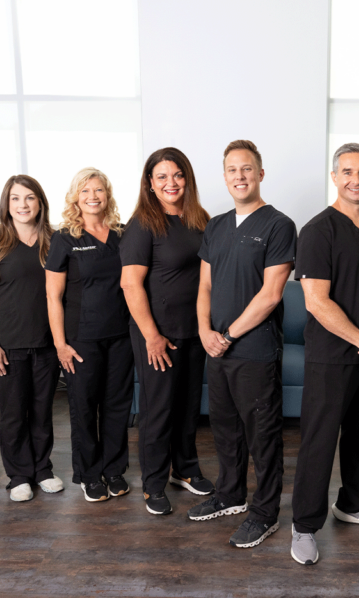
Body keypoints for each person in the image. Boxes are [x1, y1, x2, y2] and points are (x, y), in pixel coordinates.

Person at [290, 143, 359, 566]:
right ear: (335, 177)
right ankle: (304, 525)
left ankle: (353, 504)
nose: (357, 178)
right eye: (348, 171)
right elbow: (316, 301)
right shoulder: (318, 230)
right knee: (319, 443)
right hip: (333, 356)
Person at [189, 140, 296, 548]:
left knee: (262, 434)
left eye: (247, 169)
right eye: (232, 169)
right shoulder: (215, 226)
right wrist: (204, 331)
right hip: (215, 347)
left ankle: (265, 513)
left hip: (252, 349)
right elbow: (205, 286)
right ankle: (230, 494)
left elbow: (270, 295)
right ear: (224, 176)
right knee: (225, 428)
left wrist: (229, 335)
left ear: (261, 174)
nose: (240, 176)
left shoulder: (278, 225)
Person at [121, 147, 213, 515]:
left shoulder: (200, 220)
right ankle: (154, 484)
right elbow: (130, 285)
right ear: (150, 183)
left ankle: (185, 469)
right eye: (162, 176)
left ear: (187, 179)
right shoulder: (143, 224)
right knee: (158, 410)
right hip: (157, 333)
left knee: (189, 407)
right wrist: (151, 336)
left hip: (194, 330)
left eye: (177, 175)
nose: (170, 183)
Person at [45, 168, 135, 503]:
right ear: (75, 198)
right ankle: (88, 474)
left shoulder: (121, 235)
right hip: (81, 338)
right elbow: (53, 295)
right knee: (84, 406)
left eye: (98, 190)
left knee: (116, 406)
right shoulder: (64, 238)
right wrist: (60, 344)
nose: (92, 197)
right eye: (85, 192)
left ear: (107, 195)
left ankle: (114, 471)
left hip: (121, 336)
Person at [0, 175, 61, 502]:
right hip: (6, 345)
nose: (23, 205)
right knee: (12, 412)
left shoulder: (56, 240)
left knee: (41, 410)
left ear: (40, 203)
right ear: (6, 205)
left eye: (30, 198)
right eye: (16, 199)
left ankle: (43, 469)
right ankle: (19, 475)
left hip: (48, 344)